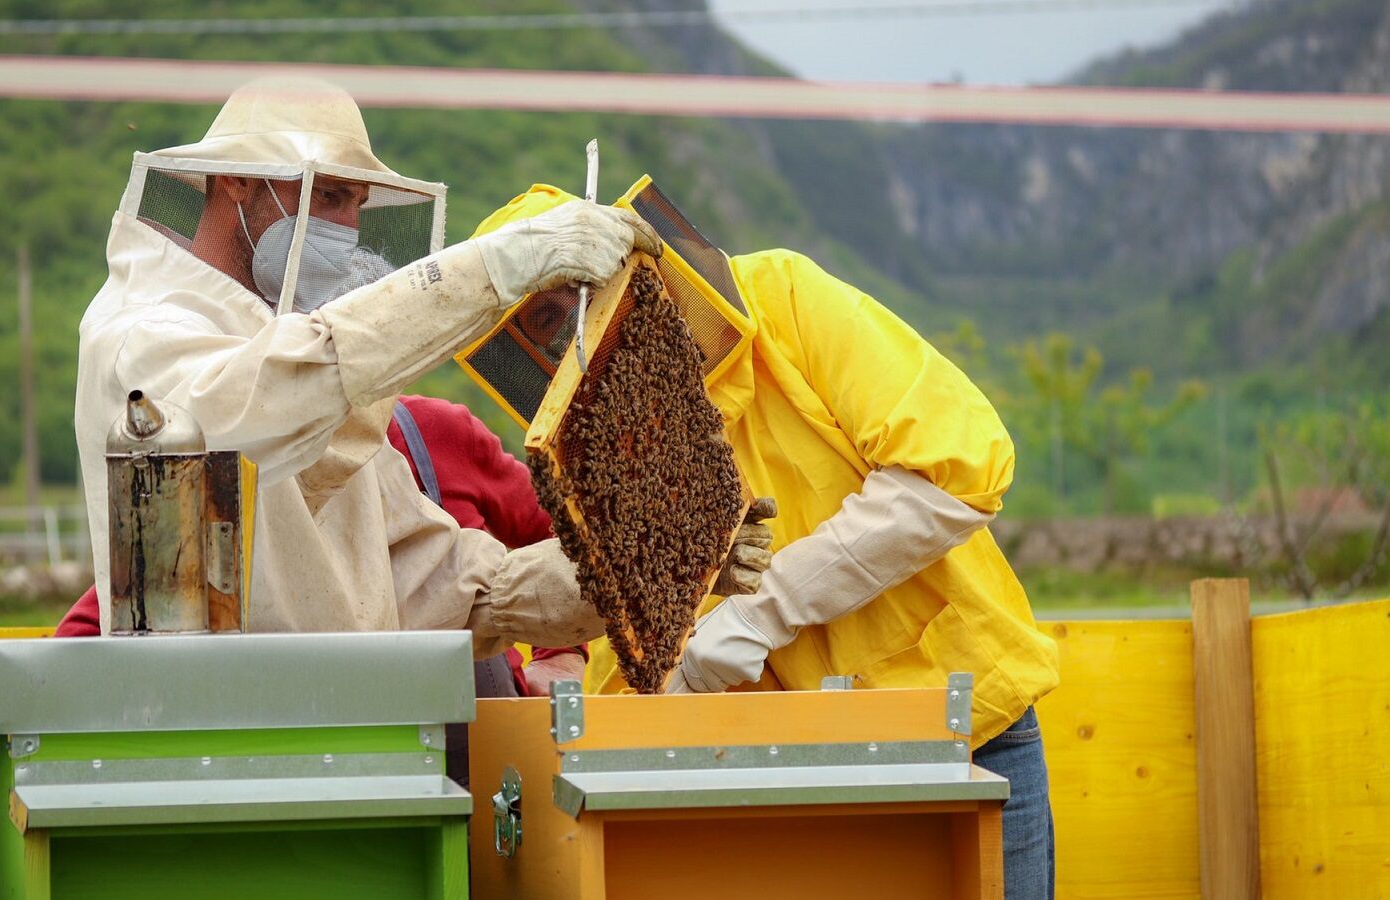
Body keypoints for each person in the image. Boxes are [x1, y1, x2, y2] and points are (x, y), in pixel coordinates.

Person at [471, 183, 1061, 899]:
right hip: (771, 770)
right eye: (545, 317)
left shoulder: (783, 295)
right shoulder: (600, 451)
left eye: (578, 287)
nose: (575, 322)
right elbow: (629, 651)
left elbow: (957, 470)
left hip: (963, 730)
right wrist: (663, 685)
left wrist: (761, 611)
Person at [73, 76, 662, 658]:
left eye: (357, 204)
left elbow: (435, 583)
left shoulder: (303, 372)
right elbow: (253, 406)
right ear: (236, 180)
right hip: (220, 736)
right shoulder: (141, 334)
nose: (348, 229)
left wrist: (630, 571)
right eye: (330, 196)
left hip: (352, 728)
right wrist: (495, 269)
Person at [57, 392, 590, 695]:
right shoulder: (249, 474)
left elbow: (570, 532)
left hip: (495, 745)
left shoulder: (437, 429)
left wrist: (562, 655)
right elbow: (106, 619)